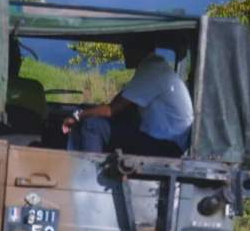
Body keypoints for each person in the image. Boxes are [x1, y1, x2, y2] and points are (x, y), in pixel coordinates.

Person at [63, 41, 193, 157]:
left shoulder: (151, 70)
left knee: (92, 126)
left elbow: (111, 110)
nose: (124, 54)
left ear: (138, 49)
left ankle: (89, 177)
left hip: (166, 145)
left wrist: (78, 116)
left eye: (126, 49)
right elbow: (121, 98)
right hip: (164, 140)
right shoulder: (154, 67)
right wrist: (89, 110)